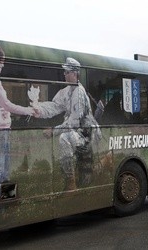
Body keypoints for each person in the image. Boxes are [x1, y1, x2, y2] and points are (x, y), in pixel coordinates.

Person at [33, 57, 101, 190]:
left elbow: (74, 123)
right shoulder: (67, 91)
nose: (64, 74)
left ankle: (70, 182)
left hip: (87, 136)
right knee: (87, 178)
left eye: (67, 72)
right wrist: (38, 109)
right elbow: (54, 106)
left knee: (64, 138)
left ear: (74, 74)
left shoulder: (79, 92)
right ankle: (73, 179)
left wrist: (54, 131)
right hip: (78, 134)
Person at [0, 40, 35, 202]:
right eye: (2, 62)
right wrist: (27, 110)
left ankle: (3, 201)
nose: (3, 66)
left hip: (3, 129)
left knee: (5, 169)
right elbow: (6, 105)